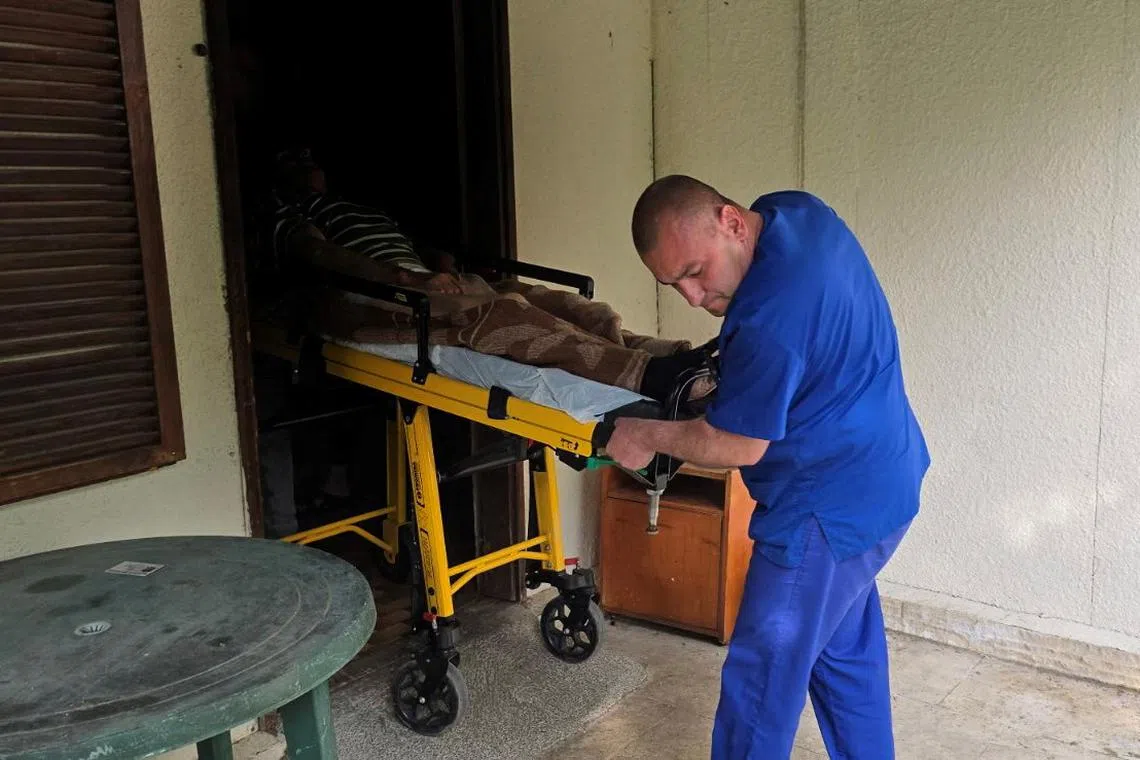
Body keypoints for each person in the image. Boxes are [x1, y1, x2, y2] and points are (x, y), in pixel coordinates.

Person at [604, 176, 931, 759]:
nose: (693, 297)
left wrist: (646, 434)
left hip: (822, 515)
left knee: (761, 686)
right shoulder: (795, 212)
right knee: (843, 658)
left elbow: (738, 445)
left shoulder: (767, 319)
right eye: (673, 282)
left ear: (731, 222)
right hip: (885, 482)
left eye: (695, 271)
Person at [261, 147, 714, 403]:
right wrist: (409, 279)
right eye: (294, 164)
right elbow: (322, 257)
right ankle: (652, 377)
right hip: (383, 302)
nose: (308, 169)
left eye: (310, 159)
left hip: (428, 285)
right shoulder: (291, 217)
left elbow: (411, 247)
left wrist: (437, 265)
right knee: (504, 318)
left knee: (560, 303)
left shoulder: (359, 209)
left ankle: (672, 357)